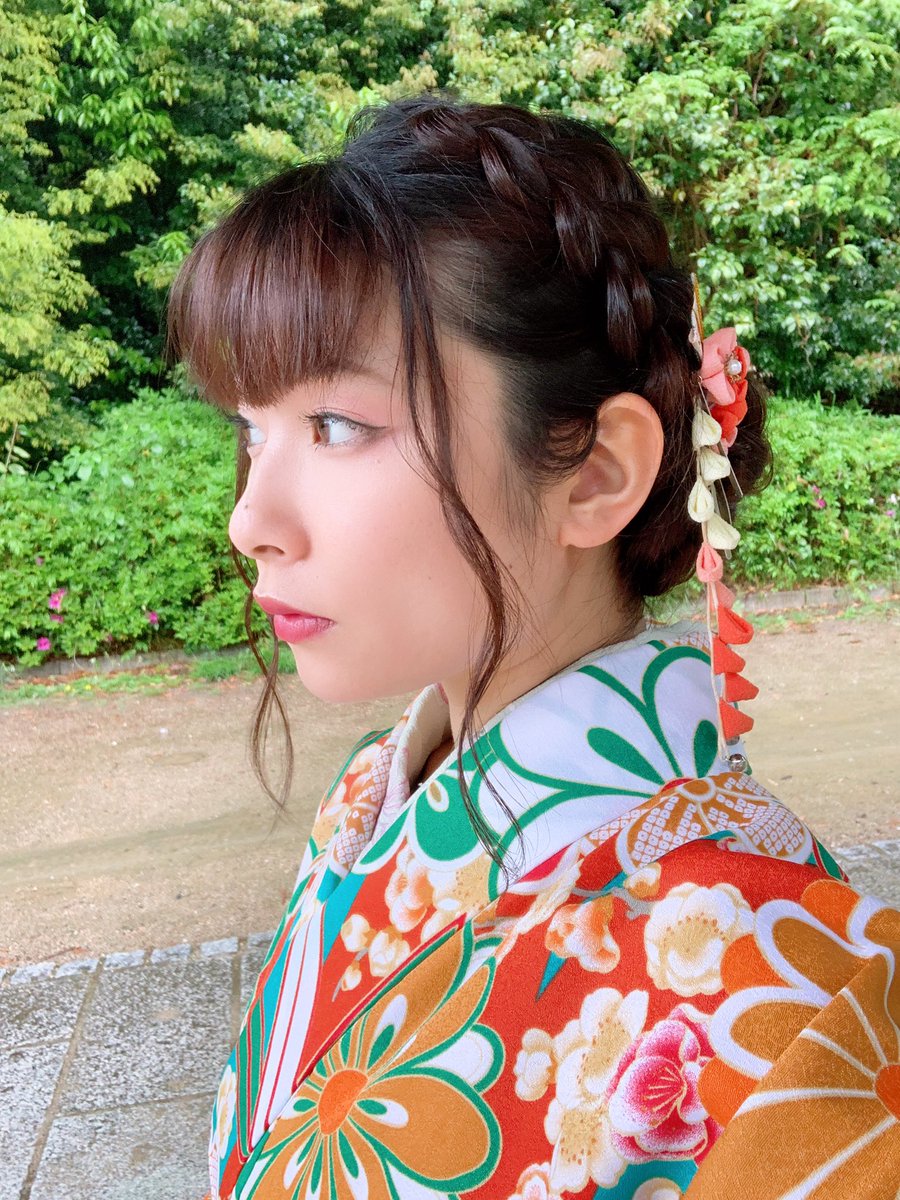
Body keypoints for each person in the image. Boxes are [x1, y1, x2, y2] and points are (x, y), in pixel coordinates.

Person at [166, 92, 900, 1200]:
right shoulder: (372, 795)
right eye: (251, 428)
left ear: (596, 473)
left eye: (337, 426)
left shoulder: (784, 1005)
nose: (249, 519)